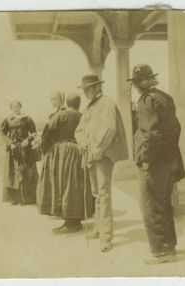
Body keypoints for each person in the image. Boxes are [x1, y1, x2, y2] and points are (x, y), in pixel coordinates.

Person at [129, 64, 185, 264]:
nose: (135, 87)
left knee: (151, 206)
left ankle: (162, 251)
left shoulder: (146, 101)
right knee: (163, 204)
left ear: (140, 83)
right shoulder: (164, 97)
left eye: (135, 83)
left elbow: (149, 135)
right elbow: (176, 127)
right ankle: (170, 246)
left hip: (153, 163)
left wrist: (145, 159)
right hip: (169, 160)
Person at [75, 74, 128, 252]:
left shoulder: (106, 103)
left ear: (98, 87)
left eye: (88, 89)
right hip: (90, 154)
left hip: (103, 155)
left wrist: (98, 148)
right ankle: (98, 227)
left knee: (104, 194)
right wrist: (82, 142)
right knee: (96, 192)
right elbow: (79, 129)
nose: (86, 92)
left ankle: (106, 237)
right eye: (84, 90)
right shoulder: (89, 107)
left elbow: (110, 128)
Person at [36, 93, 94, 233]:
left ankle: (70, 223)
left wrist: (45, 150)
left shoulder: (60, 115)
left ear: (66, 103)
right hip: (78, 150)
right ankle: (75, 220)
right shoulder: (83, 115)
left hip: (62, 152)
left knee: (62, 184)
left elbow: (46, 134)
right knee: (75, 185)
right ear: (79, 104)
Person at [1, 100, 38, 205]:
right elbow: (3, 134)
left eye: (17, 107)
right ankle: (15, 199)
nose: (16, 109)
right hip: (13, 149)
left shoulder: (27, 119)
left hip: (25, 148)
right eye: (14, 107)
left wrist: (28, 140)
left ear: (20, 107)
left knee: (27, 171)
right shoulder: (7, 120)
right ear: (11, 108)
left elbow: (34, 132)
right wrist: (9, 143)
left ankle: (28, 198)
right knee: (12, 172)